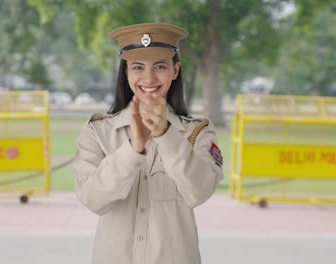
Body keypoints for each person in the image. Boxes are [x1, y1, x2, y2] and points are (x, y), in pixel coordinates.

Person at [73, 22, 224, 264]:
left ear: (175, 71)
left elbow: (200, 191)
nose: (149, 77)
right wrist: (134, 148)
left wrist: (166, 134)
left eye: (160, 66)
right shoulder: (98, 132)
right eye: (138, 67)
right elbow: (93, 199)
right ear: (126, 72)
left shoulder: (197, 132)